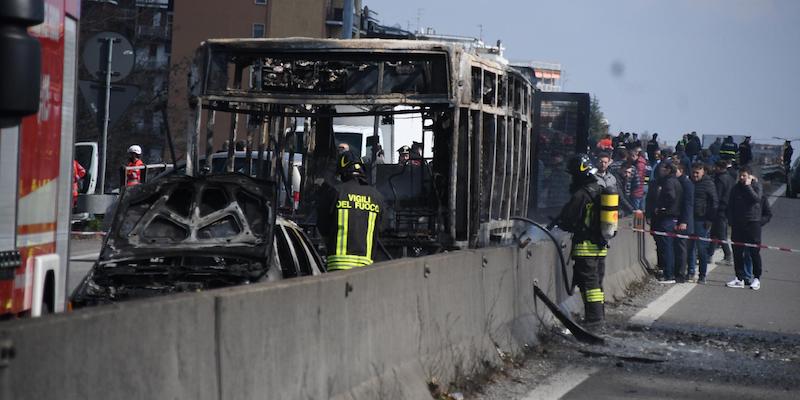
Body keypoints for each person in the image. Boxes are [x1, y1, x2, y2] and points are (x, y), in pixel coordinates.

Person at [551, 153, 609, 328]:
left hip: (585, 248)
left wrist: (559, 223)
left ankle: (594, 320)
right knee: (597, 285)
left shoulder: (581, 194)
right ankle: (599, 316)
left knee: (590, 286)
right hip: (600, 247)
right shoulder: (598, 189)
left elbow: (569, 220)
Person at [316, 151, 385, 271]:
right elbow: (382, 228)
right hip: (365, 268)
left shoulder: (335, 192)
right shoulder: (377, 197)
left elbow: (322, 225)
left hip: (337, 268)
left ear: (342, 173)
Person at [725, 165, 763, 290]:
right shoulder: (735, 188)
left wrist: (748, 186)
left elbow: (756, 199)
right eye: (740, 176)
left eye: (744, 176)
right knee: (737, 252)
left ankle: (756, 278)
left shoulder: (756, 186)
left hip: (752, 223)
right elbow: (730, 205)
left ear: (750, 176)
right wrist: (731, 220)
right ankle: (739, 278)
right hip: (738, 224)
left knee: (754, 252)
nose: (741, 178)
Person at [647, 160, 683, 284]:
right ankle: (669, 272)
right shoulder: (676, 181)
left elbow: (671, 197)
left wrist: (662, 208)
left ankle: (668, 275)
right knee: (669, 247)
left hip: (667, 218)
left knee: (666, 247)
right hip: (673, 218)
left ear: (668, 170)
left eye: (664, 168)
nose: (661, 170)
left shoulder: (668, 182)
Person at [688, 162, 718, 284]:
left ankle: (702, 274)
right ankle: (690, 272)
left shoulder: (708, 183)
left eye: (697, 173)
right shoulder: (689, 182)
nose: (695, 175)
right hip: (690, 219)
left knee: (701, 249)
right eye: (693, 172)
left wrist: (710, 219)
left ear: (703, 172)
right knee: (690, 248)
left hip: (702, 220)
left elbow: (714, 202)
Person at [710, 159, 735, 265]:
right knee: (714, 233)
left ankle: (728, 256)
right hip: (727, 208)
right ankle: (708, 254)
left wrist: (713, 207)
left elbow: (717, 195)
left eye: (715, 167)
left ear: (719, 167)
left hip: (720, 209)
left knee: (720, 234)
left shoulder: (720, 179)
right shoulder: (730, 177)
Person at [673, 162, 694, 283]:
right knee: (678, 247)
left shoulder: (686, 184)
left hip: (683, 221)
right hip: (678, 219)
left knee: (682, 247)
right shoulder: (679, 182)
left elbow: (688, 204)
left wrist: (684, 221)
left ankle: (681, 273)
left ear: (681, 170)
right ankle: (678, 271)